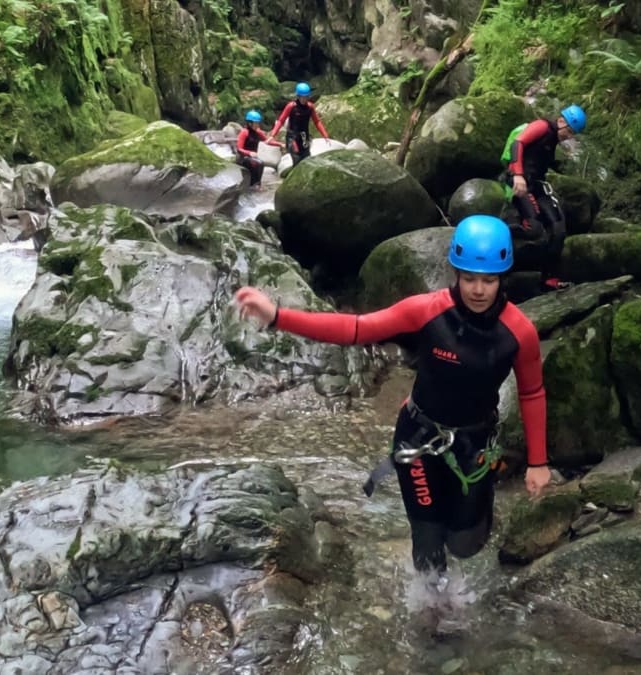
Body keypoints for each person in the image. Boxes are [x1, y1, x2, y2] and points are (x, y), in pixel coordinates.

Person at [233, 215, 551, 578]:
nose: (478, 289)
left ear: (502, 279)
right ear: (455, 274)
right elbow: (356, 329)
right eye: (469, 278)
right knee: (428, 538)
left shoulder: (518, 332)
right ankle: (436, 612)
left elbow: (532, 392)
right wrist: (277, 317)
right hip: (418, 438)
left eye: (489, 280)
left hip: (473, 443)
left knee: (466, 544)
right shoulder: (427, 311)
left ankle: (466, 519)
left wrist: (538, 462)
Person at [501, 104, 587, 292]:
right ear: (562, 121)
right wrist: (517, 174)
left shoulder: (554, 138)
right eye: (570, 131)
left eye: (573, 134)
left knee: (558, 228)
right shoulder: (542, 126)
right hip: (520, 182)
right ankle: (502, 237)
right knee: (534, 229)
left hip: (536, 185)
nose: (569, 136)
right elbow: (518, 143)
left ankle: (549, 279)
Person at [266, 82, 330, 166]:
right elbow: (281, 121)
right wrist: (272, 135)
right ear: (298, 96)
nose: (304, 99)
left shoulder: (310, 107)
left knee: (306, 159)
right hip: (292, 137)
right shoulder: (291, 106)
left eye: (306, 97)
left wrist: (325, 135)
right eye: (302, 97)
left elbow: (317, 121)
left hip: (304, 137)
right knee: (296, 158)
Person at [236, 110, 282, 191]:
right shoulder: (244, 132)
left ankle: (255, 184)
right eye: (256, 123)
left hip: (252, 158)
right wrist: (249, 153)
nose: (258, 125)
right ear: (249, 123)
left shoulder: (258, 132)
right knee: (259, 163)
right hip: (242, 158)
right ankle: (255, 185)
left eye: (258, 123)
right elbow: (239, 148)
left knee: (257, 163)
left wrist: (280, 144)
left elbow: (267, 141)